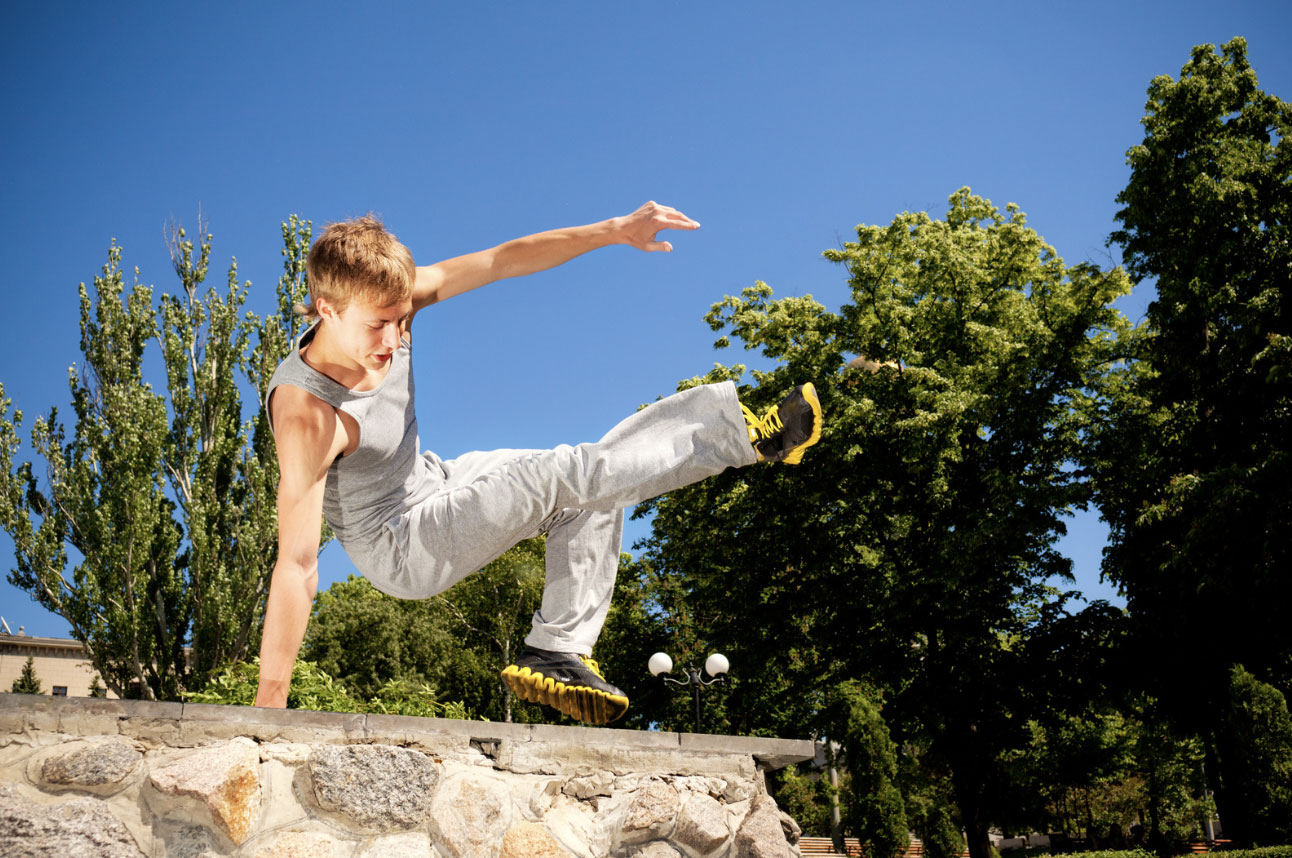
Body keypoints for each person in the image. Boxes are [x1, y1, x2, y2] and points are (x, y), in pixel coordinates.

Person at [253, 201, 822, 723]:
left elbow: (503, 260)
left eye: (402, 321)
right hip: (398, 545)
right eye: (377, 326)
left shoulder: (390, 296)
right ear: (326, 309)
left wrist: (614, 231)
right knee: (557, 478)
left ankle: (558, 649)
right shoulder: (307, 412)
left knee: (588, 479)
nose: (394, 339)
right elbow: (297, 566)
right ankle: (745, 439)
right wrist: (269, 706)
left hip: (438, 480)